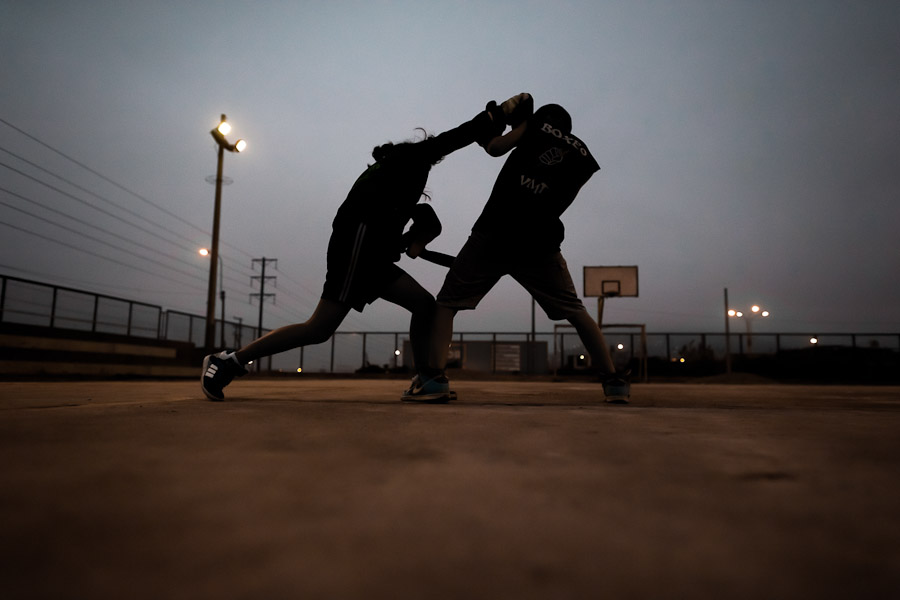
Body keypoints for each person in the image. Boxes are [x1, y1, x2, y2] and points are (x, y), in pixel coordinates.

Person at [201, 102, 507, 401]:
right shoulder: (406, 161)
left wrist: (413, 238)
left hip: (372, 253)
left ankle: (427, 378)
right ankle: (229, 362)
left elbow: (418, 215)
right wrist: (491, 119)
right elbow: (447, 142)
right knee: (319, 327)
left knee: (423, 306)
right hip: (356, 247)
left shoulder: (394, 184)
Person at [403, 94, 631, 403]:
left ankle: (433, 379)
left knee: (447, 304)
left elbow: (497, 148)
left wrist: (492, 132)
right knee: (576, 312)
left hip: (496, 230)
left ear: (542, 118)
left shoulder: (536, 126)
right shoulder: (582, 154)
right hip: (541, 241)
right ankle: (614, 383)